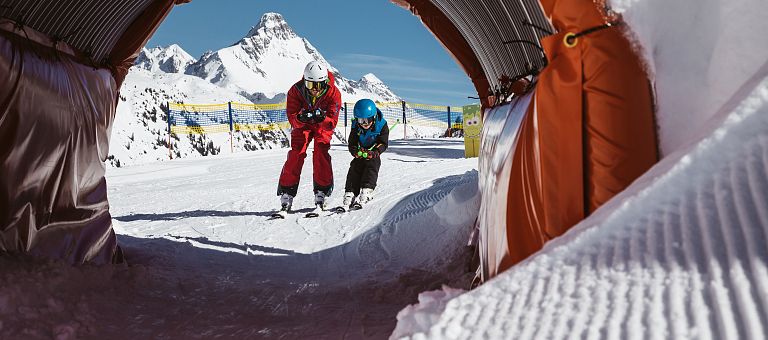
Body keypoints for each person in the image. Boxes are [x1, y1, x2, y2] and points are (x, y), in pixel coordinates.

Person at [277, 60, 341, 211]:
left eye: (319, 85)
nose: (315, 90)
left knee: (321, 150)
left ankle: (322, 190)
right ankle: (287, 191)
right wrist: (300, 118)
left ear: (325, 82)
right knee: (296, 153)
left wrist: (322, 118)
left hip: (321, 126)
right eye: (311, 85)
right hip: (303, 126)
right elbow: (292, 117)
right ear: (305, 81)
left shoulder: (333, 93)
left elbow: (332, 123)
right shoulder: (295, 91)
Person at [343, 99, 389, 207]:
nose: (365, 124)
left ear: (373, 117)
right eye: (361, 120)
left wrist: (375, 152)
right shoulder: (355, 125)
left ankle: (367, 190)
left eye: (367, 120)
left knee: (372, 164)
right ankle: (350, 192)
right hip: (361, 150)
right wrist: (356, 152)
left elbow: (383, 143)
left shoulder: (382, 125)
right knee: (355, 166)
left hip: (373, 151)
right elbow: (352, 142)